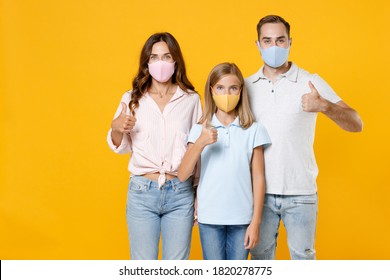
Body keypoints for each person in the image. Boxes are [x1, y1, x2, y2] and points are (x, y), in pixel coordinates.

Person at [246, 15, 363, 260]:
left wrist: (325, 106)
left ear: (290, 42)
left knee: (303, 262)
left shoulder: (311, 82)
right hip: (259, 195)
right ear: (258, 45)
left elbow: (356, 123)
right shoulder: (246, 86)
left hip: (301, 193)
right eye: (267, 41)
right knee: (260, 263)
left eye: (280, 40)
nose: (274, 47)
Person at [107, 32, 202, 260]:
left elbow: (198, 152)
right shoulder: (132, 99)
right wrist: (117, 127)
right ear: (146, 63)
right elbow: (119, 146)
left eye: (166, 56)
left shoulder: (191, 100)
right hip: (142, 192)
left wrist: (199, 194)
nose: (160, 62)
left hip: (180, 192)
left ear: (175, 61)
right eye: (154, 57)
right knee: (142, 267)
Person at [178, 62, 271, 260]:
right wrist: (200, 143)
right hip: (209, 217)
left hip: (242, 218)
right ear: (211, 90)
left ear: (241, 91)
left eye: (233, 88)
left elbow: (259, 178)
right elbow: (183, 174)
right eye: (220, 88)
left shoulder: (254, 130)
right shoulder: (199, 129)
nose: (226, 93)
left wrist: (255, 222)